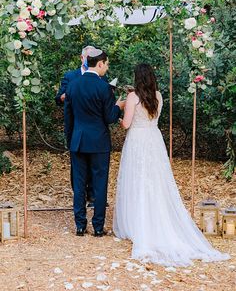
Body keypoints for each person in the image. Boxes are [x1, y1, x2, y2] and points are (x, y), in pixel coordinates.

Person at [113, 63, 230, 267]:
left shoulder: (132, 97)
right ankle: (155, 217)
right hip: (154, 140)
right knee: (156, 181)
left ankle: (137, 224)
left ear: (137, 78)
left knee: (137, 180)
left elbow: (126, 124)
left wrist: (118, 107)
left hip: (137, 141)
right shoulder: (158, 96)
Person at [64, 49, 125, 237]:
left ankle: (80, 226)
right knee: (100, 184)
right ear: (99, 64)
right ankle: (98, 227)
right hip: (99, 142)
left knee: (79, 183)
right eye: (106, 64)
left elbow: (69, 118)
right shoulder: (104, 87)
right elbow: (109, 118)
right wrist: (118, 106)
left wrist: (70, 141)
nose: (106, 68)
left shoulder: (73, 86)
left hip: (78, 141)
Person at [55, 46, 107, 206]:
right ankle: (80, 195)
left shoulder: (101, 77)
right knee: (78, 166)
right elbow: (58, 98)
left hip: (96, 128)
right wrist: (67, 96)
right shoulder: (70, 76)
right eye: (88, 56)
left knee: (95, 165)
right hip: (76, 126)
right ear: (81, 57)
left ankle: (93, 196)